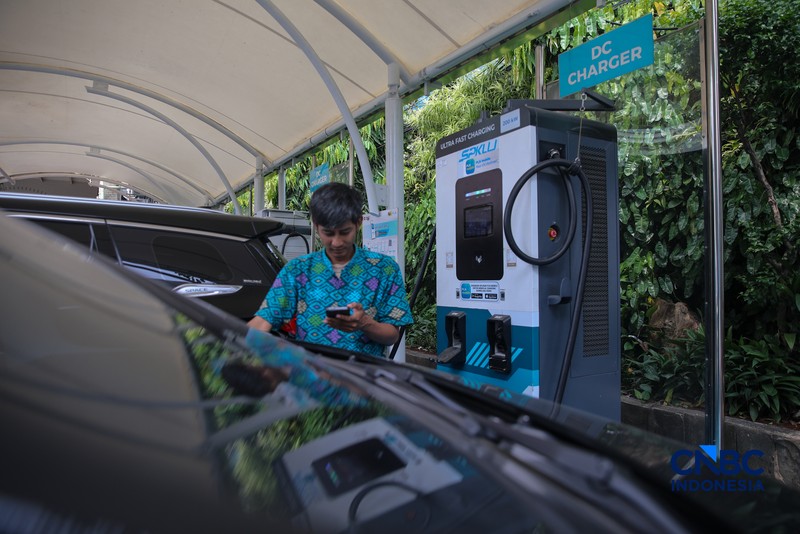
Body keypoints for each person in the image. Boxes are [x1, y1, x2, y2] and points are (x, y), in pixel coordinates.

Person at [247, 182, 413, 357]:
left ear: (358, 222)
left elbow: (392, 335)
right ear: (316, 225)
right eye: (328, 233)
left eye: (344, 232)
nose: (337, 242)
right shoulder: (298, 270)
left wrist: (364, 323)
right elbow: (265, 319)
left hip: (362, 379)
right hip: (310, 377)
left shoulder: (385, 269)